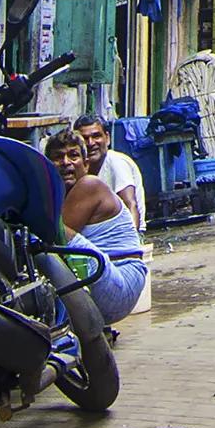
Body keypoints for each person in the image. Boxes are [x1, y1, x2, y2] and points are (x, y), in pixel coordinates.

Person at [44, 131, 148, 324]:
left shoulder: (89, 185)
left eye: (73, 156)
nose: (66, 162)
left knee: (50, 235)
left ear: (85, 164)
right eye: (58, 158)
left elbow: (53, 236)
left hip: (121, 280)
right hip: (110, 276)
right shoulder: (63, 194)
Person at [77, 114, 147, 228]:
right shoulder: (82, 167)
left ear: (107, 138)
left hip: (121, 236)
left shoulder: (115, 162)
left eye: (96, 136)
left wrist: (131, 242)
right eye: (85, 138)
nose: (90, 143)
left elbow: (131, 205)